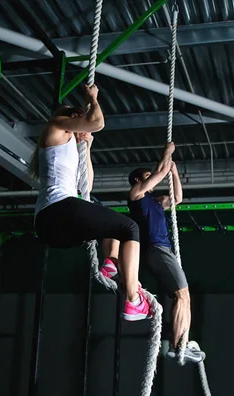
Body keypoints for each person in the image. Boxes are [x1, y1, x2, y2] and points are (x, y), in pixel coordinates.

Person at [29, 84, 152, 321]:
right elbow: (97, 122)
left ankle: (111, 264)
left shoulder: (67, 148)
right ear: (73, 118)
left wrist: (86, 148)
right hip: (57, 211)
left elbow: (87, 185)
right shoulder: (56, 127)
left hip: (54, 229)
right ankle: (133, 299)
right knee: (130, 228)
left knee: (110, 221)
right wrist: (93, 98)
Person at [99, 143, 205, 364]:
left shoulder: (156, 202)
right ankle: (179, 345)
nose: (153, 181)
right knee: (182, 296)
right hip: (156, 250)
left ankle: (181, 343)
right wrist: (167, 153)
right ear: (139, 180)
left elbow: (177, 198)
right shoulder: (136, 195)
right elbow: (159, 172)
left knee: (183, 297)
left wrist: (174, 170)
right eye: (147, 176)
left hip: (161, 251)